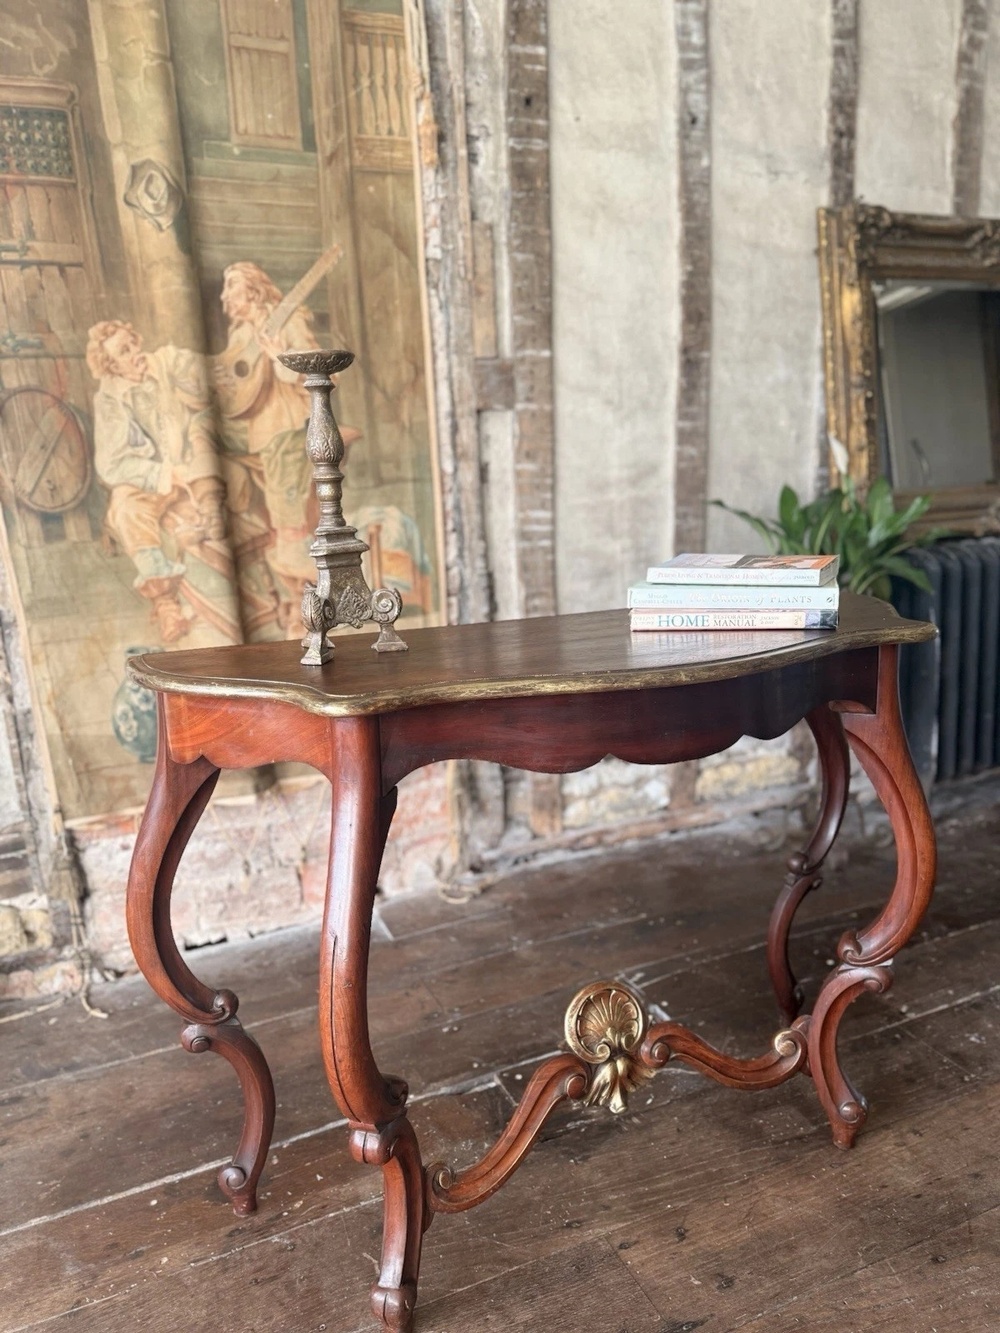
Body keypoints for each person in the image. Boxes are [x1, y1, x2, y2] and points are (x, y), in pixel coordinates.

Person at [213, 261, 346, 629]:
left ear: (252, 290)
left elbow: (314, 372)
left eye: (231, 288)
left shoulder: (288, 319)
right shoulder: (241, 330)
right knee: (271, 512)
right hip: (260, 431)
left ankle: (311, 604)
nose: (225, 297)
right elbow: (233, 374)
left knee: (287, 517)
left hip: (287, 426)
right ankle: (297, 601)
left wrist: (277, 357)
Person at [86, 320, 227, 643]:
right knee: (125, 507)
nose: (136, 352)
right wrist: (160, 475)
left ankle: (211, 509)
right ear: (111, 366)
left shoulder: (161, 361)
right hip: (151, 480)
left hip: (187, 460)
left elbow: (199, 363)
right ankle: (166, 605)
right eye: (125, 351)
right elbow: (110, 464)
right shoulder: (110, 399)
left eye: (134, 343)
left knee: (205, 440)